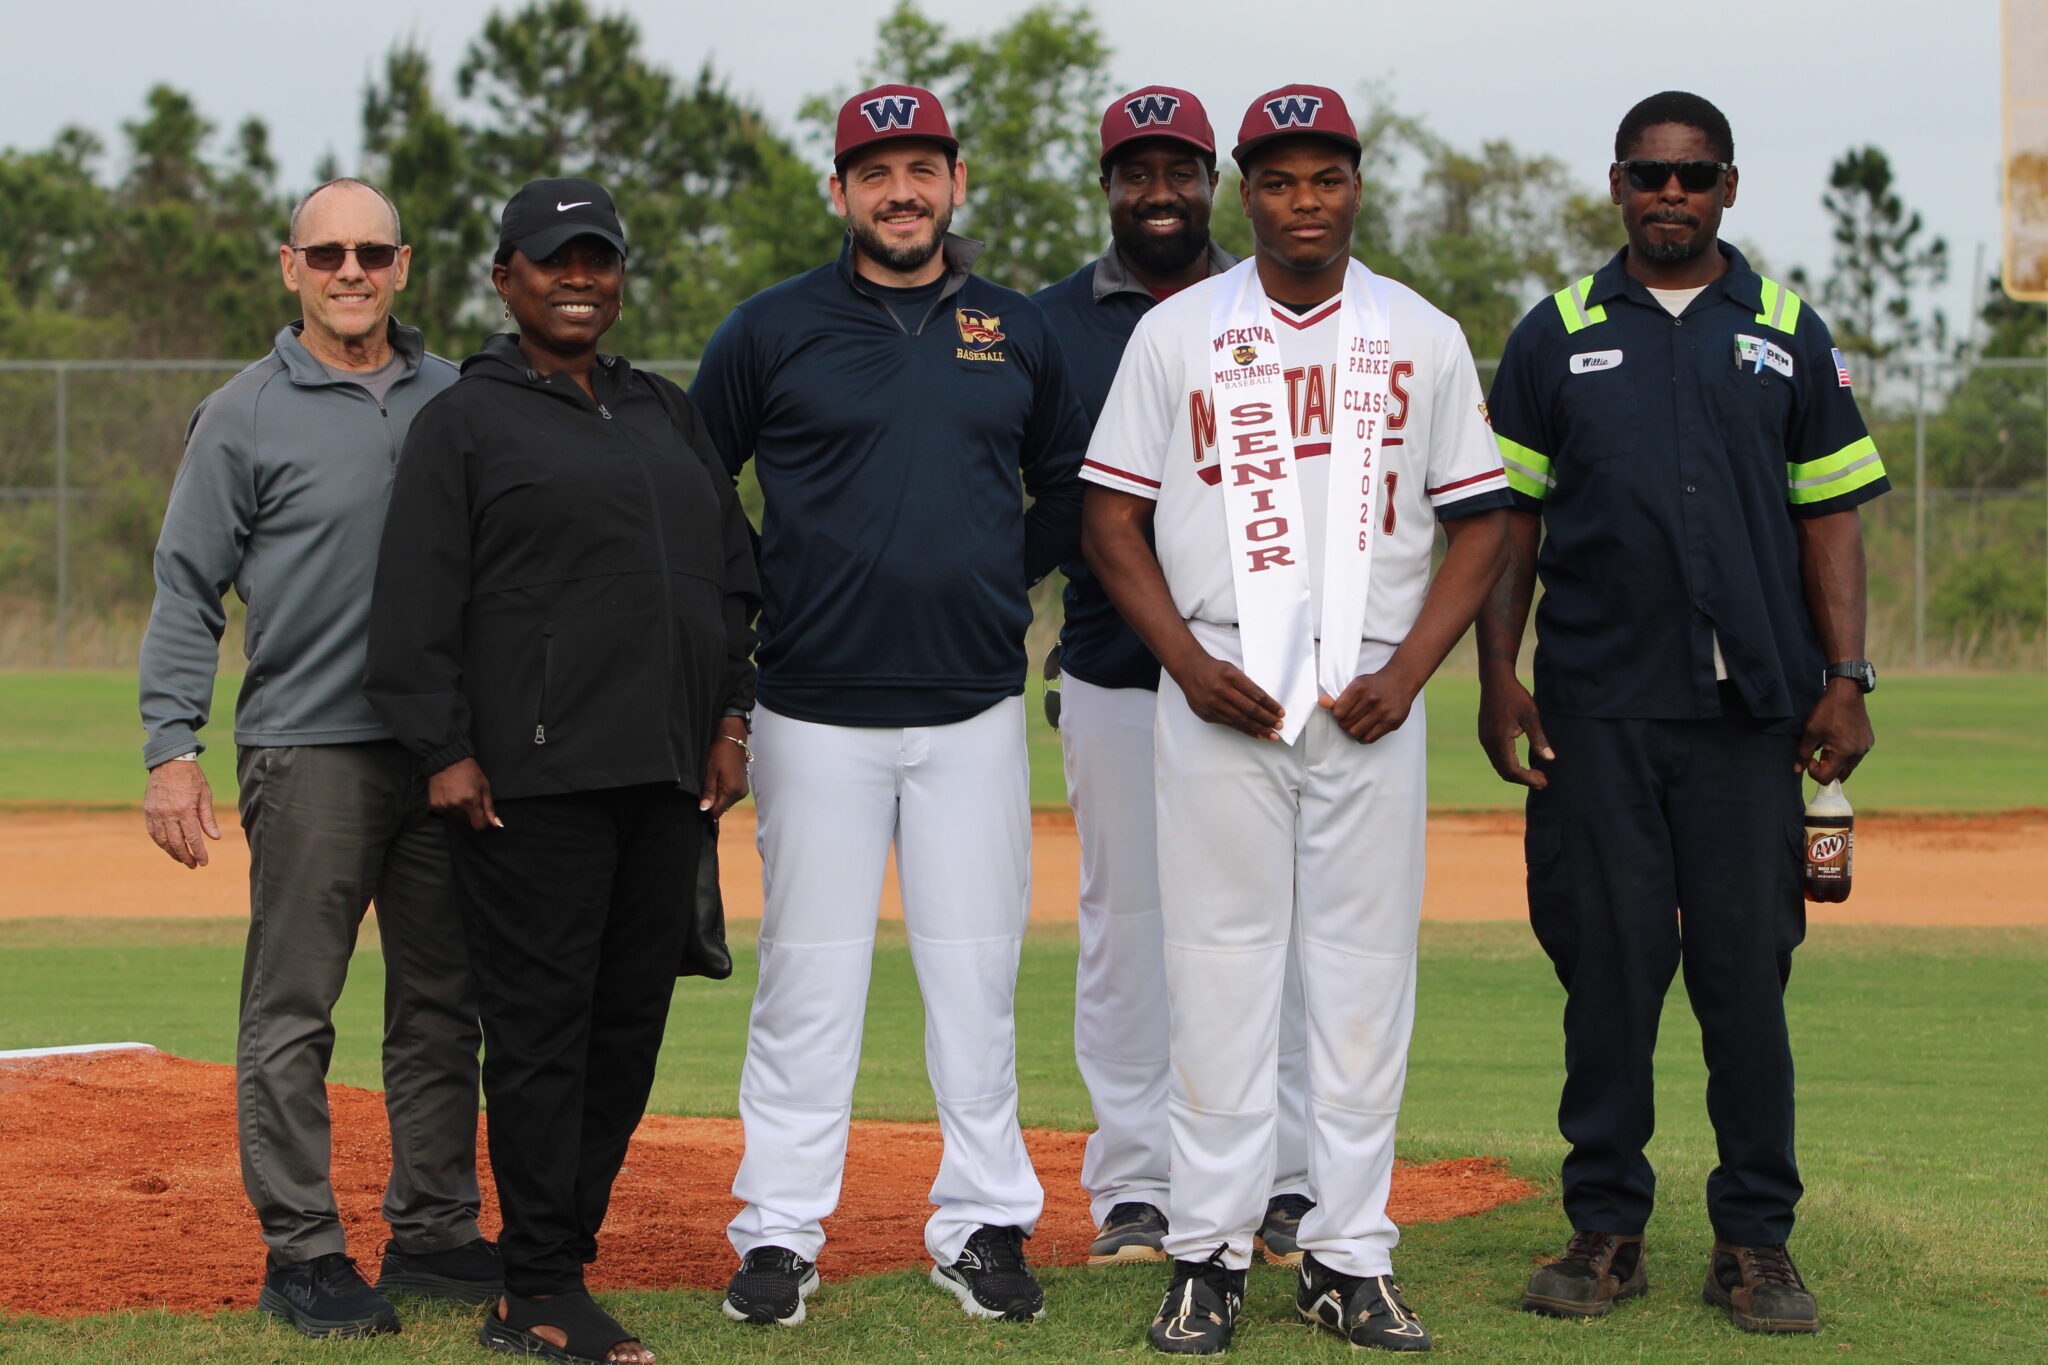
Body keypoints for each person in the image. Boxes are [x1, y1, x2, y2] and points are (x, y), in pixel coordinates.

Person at [1082, 86, 1511, 1355]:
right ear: (1242, 194)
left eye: (1324, 178)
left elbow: (1481, 522)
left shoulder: (1420, 333)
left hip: (1369, 695)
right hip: (1220, 686)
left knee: (1363, 982)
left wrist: (1416, 670)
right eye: (1277, 180)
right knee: (1213, 972)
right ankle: (1207, 1254)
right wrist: (1181, 662)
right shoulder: (1176, 333)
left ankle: (1347, 1251)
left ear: (1355, 187)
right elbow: (1108, 520)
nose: (1302, 201)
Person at [1478, 91, 1883, 1336]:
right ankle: (1603, 1229)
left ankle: (1754, 1242)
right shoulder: (1552, 333)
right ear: (1614, 184)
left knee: (1741, 982)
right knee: (1605, 974)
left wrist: (1844, 677)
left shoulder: (1783, 331)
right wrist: (1500, 678)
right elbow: (1508, 528)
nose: (1670, 195)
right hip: (1596, 712)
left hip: (1748, 717)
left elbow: (1828, 513)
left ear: (1727, 186)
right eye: (1649, 176)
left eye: (1692, 176)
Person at [690, 84, 1087, 1327]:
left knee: (973, 982)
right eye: (875, 172)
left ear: (956, 181)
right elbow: (700, 500)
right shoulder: (770, 329)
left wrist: (985, 575)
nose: (900, 191)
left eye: (922, 168)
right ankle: (778, 1235)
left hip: (968, 707)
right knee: (806, 984)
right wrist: (737, 682)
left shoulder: (1014, 330)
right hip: (809, 709)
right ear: (840, 192)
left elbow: (1067, 491)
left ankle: (980, 1226)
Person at [364, 177, 758, 1365]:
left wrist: (730, 721)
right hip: (527, 784)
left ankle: (553, 1256)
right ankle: (536, 1289)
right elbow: (413, 606)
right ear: (504, 280)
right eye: (552, 260)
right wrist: (444, 749)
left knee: (625, 1029)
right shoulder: (466, 422)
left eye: (597, 258)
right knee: (540, 1031)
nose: (577, 277)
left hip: (663, 777)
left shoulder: (662, 410)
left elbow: (733, 578)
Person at [137, 177, 494, 1339]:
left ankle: (435, 1230)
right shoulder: (241, 412)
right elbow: (187, 592)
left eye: (373, 253)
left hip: (446, 753)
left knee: (443, 1004)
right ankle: (301, 1251)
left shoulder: (459, 395)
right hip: (310, 750)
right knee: (294, 1009)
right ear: (290, 267)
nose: (352, 271)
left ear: (402, 267)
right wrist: (170, 748)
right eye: (326, 252)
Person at [1033, 86, 1315, 1269]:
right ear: (1104, 187)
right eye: (1132, 172)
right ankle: (1137, 1189)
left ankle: (1290, 1181)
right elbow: (1037, 506)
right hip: (1112, 670)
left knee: (1286, 931)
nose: (1157, 192)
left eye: (1177, 170)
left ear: (1212, 179)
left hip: (1268, 678)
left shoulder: (1285, 305)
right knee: (1128, 931)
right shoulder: (1052, 325)